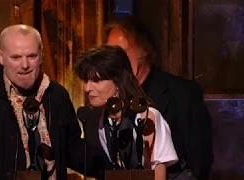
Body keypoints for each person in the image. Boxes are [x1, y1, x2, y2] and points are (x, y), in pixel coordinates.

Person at [0, 24, 83, 180]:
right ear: (1, 57)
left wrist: (110, 161)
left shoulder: (57, 95)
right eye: (16, 57)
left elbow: (73, 149)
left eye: (32, 56)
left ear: (41, 55)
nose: (25, 65)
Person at [105, 16, 213, 180]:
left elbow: (200, 162)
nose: (114, 62)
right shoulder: (112, 99)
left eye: (121, 52)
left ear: (145, 49)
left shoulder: (182, 93)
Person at [75, 44, 178, 180]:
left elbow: (158, 174)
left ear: (117, 81)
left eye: (96, 80)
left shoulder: (147, 116)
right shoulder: (102, 122)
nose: (87, 88)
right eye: (85, 80)